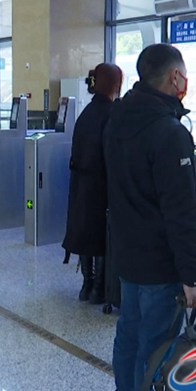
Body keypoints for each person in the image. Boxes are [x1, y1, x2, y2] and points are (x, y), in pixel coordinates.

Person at [104, 44, 196, 391]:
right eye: (184, 74)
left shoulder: (118, 118)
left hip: (127, 254)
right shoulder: (170, 132)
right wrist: (191, 275)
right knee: (157, 343)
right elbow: (181, 212)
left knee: (129, 332)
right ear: (175, 77)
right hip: (161, 262)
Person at [62, 63, 123, 304]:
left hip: (80, 184)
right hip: (102, 185)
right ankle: (99, 288)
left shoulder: (86, 113)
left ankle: (86, 284)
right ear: (115, 84)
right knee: (102, 235)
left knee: (84, 232)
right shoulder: (113, 114)